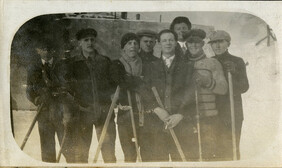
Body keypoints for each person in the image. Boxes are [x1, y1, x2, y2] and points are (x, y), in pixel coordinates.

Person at [139, 29, 194, 162]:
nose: (168, 43)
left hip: (180, 123)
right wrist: (157, 109)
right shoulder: (150, 66)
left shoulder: (187, 66)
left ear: (175, 43)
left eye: (171, 40)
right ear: (159, 43)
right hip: (155, 124)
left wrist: (180, 114)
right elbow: (144, 91)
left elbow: (190, 92)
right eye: (164, 40)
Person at [66, 28, 116, 163]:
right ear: (79, 43)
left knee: (109, 153)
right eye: (85, 40)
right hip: (83, 114)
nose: (90, 43)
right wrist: (76, 107)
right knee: (81, 155)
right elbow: (69, 88)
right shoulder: (73, 63)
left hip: (104, 113)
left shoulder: (105, 61)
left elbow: (113, 85)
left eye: (92, 40)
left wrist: (111, 100)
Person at [26, 38, 75, 163]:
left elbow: (70, 85)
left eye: (50, 49)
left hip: (62, 111)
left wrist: (62, 92)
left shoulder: (62, 65)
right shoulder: (33, 68)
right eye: (43, 49)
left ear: (54, 51)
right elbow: (29, 90)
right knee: (47, 151)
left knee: (68, 148)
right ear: (38, 50)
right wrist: (37, 99)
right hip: (44, 112)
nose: (47, 52)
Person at [184, 29, 228, 161]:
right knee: (189, 157)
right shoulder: (181, 64)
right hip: (187, 118)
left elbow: (223, 88)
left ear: (202, 43)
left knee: (208, 157)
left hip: (208, 118)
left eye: (197, 42)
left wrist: (207, 81)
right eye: (190, 42)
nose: (194, 45)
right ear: (186, 44)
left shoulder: (212, 63)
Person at [209, 30, 249, 160]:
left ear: (228, 44)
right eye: (214, 43)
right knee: (214, 149)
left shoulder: (237, 61)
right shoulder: (209, 62)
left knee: (231, 148)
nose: (217, 46)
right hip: (214, 111)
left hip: (232, 111)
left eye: (220, 42)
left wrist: (235, 71)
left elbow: (244, 87)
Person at [110, 32, 143, 162]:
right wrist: (138, 80)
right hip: (125, 114)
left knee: (142, 152)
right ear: (123, 47)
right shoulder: (116, 64)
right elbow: (119, 82)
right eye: (129, 43)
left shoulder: (144, 64)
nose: (133, 46)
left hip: (142, 113)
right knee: (129, 154)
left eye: (135, 43)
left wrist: (129, 80)